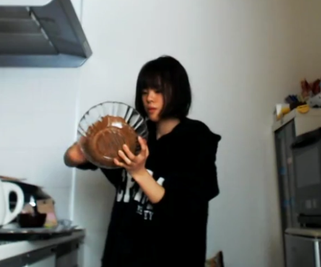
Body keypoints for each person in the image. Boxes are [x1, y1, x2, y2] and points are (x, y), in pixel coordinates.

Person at [63, 55, 221, 267]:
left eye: (158, 90)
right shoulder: (133, 136)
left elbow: (182, 212)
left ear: (177, 91)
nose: (149, 99)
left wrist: (139, 173)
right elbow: (72, 158)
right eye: (145, 92)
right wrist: (88, 142)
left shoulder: (196, 138)